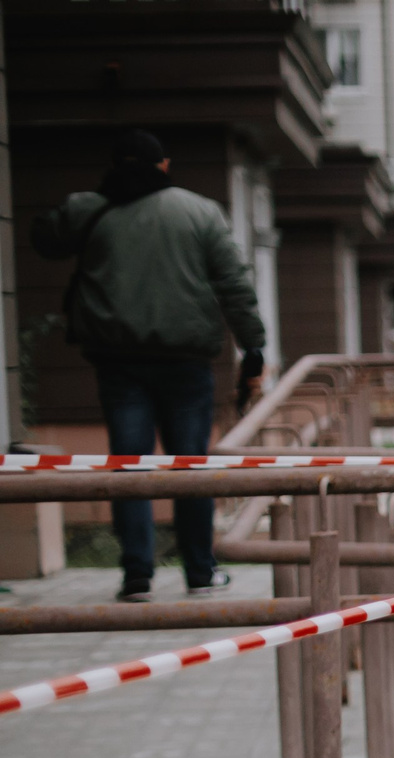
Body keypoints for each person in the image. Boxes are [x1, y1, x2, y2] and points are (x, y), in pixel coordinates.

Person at [32, 129, 266, 603]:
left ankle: (136, 574)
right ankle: (200, 571)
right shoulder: (200, 211)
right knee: (188, 465)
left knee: (130, 465)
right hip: (186, 363)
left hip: (120, 363)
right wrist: (253, 351)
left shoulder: (92, 208)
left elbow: (44, 237)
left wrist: (95, 197)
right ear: (164, 165)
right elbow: (234, 285)